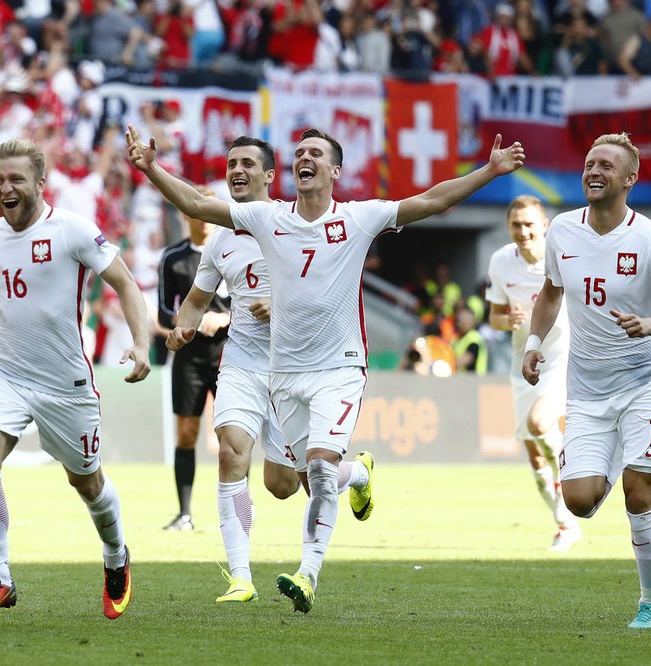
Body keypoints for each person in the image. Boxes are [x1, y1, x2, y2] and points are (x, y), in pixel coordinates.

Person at [127, 124, 524, 613]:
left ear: (335, 171)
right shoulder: (264, 221)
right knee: (288, 482)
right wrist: (149, 168)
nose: (304, 158)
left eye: (315, 153)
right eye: (300, 153)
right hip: (283, 374)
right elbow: (195, 206)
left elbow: (432, 201)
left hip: (339, 367)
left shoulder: (359, 219)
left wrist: (489, 170)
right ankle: (356, 475)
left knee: (316, 465)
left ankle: (307, 575)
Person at [0, 139, 152, 622]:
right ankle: (0, 577)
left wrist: (141, 342)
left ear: (40, 183)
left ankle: (116, 556)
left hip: (64, 383)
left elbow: (126, 282)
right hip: (6, 371)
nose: (6, 187)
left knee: (85, 481)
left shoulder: (73, 231)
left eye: (16, 179)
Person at [165, 136, 374, 602]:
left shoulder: (291, 223)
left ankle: (356, 474)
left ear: (268, 176)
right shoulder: (221, 240)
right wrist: (183, 328)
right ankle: (241, 577)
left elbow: (323, 286)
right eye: (230, 164)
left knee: (286, 485)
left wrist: (279, 302)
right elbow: (196, 302)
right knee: (229, 451)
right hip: (241, 362)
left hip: (296, 367)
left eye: (246, 164)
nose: (236, 171)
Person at [522, 133, 651, 630]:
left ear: (629, 179)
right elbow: (551, 293)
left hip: (644, 381)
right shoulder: (564, 232)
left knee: (639, 493)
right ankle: (619, 456)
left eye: (607, 166)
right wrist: (534, 345)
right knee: (578, 501)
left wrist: (649, 325)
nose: (594, 171)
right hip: (589, 388)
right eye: (590, 163)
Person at [486, 195, 580, 551]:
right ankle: (564, 524)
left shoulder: (562, 257)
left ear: (545, 225)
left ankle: (574, 473)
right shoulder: (500, 262)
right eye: (516, 225)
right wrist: (505, 320)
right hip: (521, 359)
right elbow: (494, 314)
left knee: (541, 424)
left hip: (561, 355)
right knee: (535, 453)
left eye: (529, 224)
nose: (523, 231)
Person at [158, 199, 230, 531]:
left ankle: (239, 507)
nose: (205, 221)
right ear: (187, 215)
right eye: (198, 214)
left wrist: (224, 316)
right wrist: (188, 322)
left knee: (233, 436)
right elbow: (162, 312)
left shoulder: (231, 251)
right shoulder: (173, 258)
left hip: (229, 352)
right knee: (186, 434)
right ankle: (184, 513)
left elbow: (250, 300)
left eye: (209, 215)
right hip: (188, 355)